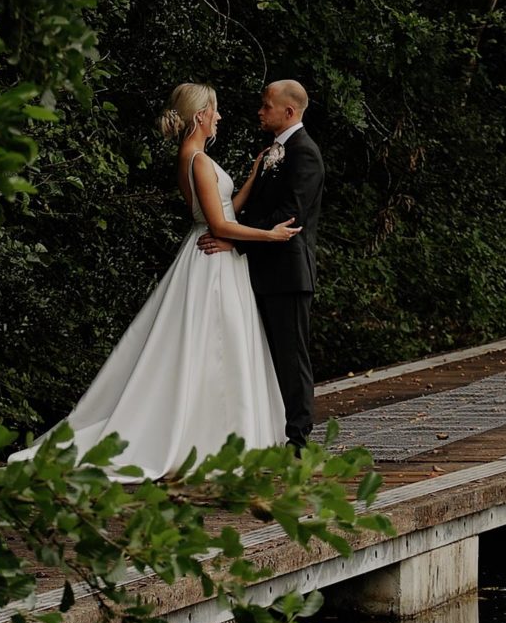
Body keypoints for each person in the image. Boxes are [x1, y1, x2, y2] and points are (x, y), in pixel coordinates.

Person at [21, 83, 301, 478]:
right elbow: (219, 224)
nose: (219, 117)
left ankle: (221, 436)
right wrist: (269, 235)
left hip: (215, 253)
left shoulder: (192, 156)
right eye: (215, 111)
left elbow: (223, 211)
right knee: (219, 346)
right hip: (213, 261)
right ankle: (216, 439)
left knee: (212, 346)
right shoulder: (199, 160)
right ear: (201, 115)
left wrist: (253, 178)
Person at [203, 80, 324, 448]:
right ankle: (267, 430)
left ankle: (299, 438)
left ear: (288, 112)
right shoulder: (273, 151)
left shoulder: (304, 153)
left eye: (266, 105)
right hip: (260, 269)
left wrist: (233, 238)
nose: (260, 110)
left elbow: (289, 216)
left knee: (291, 356)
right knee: (264, 357)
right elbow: (259, 209)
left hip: (288, 272)